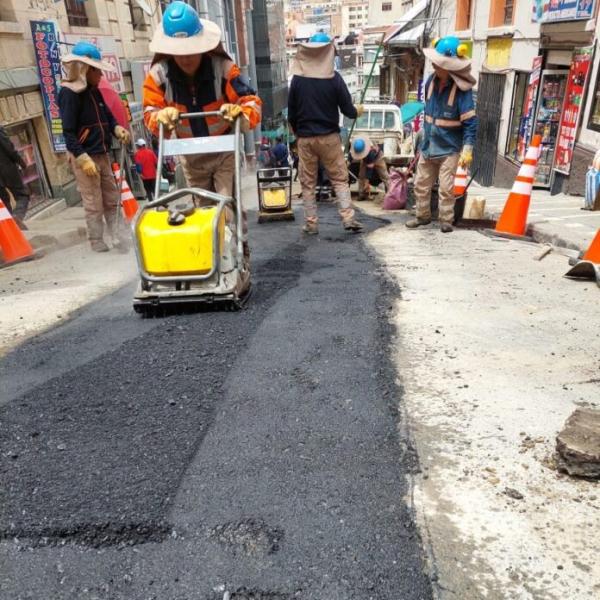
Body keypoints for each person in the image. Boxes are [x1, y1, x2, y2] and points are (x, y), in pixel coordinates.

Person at [142, 0, 261, 260]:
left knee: (227, 204)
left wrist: (240, 112)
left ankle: (238, 255)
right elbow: (149, 114)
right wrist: (160, 117)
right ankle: (211, 259)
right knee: (203, 210)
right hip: (191, 155)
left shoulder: (224, 69)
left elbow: (251, 102)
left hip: (222, 150)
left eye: (191, 50)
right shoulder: (159, 75)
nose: (185, 58)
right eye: (179, 51)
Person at [58, 41, 131, 252]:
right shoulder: (69, 94)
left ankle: (118, 235)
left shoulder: (94, 91)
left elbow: (107, 116)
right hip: (85, 157)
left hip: (102, 153)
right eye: (97, 70)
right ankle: (96, 240)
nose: (100, 75)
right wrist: (82, 157)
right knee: (93, 201)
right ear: (85, 69)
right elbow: (68, 132)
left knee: (111, 197)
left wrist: (116, 128)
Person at [288, 32, 363, 235]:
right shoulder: (334, 79)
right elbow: (348, 110)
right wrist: (357, 111)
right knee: (339, 179)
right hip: (329, 137)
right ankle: (348, 218)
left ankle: (311, 224)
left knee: (308, 183)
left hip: (305, 138)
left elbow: (292, 113)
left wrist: (299, 134)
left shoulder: (297, 80)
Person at [405, 36, 477, 233]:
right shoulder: (430, 82)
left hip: (449, 148)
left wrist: (467, 149)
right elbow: (428, 113)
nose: (435, 66)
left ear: (451, 66)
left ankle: (446, 220)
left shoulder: (462, 91)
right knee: (420, 184)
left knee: (446, 187)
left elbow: (470, 123)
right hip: (428, 145)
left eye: (440, 64)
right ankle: (422, 216)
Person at [0, 125, 30, 229]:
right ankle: (17, 216)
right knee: (23, 195)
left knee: (4, 201)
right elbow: (9, 148)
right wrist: (21, 162)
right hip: (7, 169)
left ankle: (10, 227)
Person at [350, 136, 389, 201]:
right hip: (365, 159)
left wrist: (367, 182)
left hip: (378, 157)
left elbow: (369, 169)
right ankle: (361, 194)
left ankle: (390, 194)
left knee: (385, 176)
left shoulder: (371, 152)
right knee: (361, 176)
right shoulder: (355, 145)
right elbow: (351, 155)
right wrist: (348, 162)